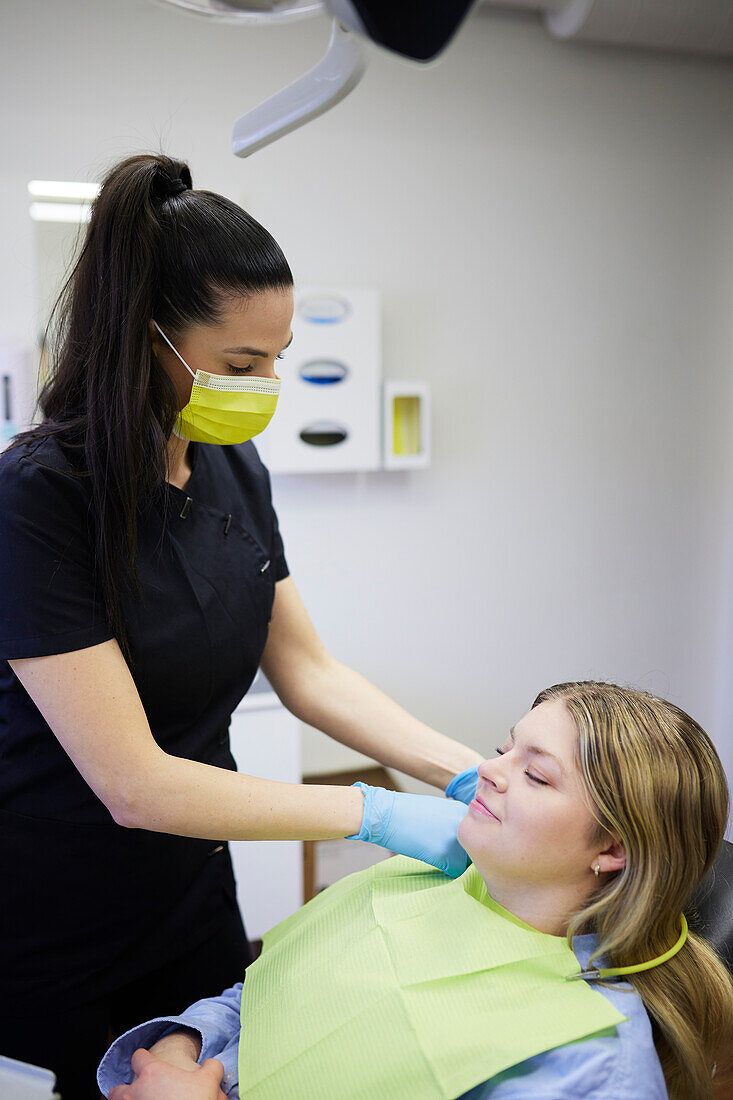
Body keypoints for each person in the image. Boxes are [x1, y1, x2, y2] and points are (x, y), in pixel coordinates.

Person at [0, 152, 484, 1099]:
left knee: (223, 1059)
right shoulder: (38, 501)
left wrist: (462, 770)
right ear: (150, 340)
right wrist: (376, 815)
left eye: (279, 356)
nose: (268, 384)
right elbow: (133, 785)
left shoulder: (229, 466)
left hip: (192, 886)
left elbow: (309, 673)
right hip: (64, 896)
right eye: (240, 363)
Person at [97, 681, 733, 1100]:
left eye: (536, 775)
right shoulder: (416, 882)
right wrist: (182, 1049)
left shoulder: (590, 1065)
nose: (487, 770)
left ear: (612, 849)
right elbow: (262, 995)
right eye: (502, 748)